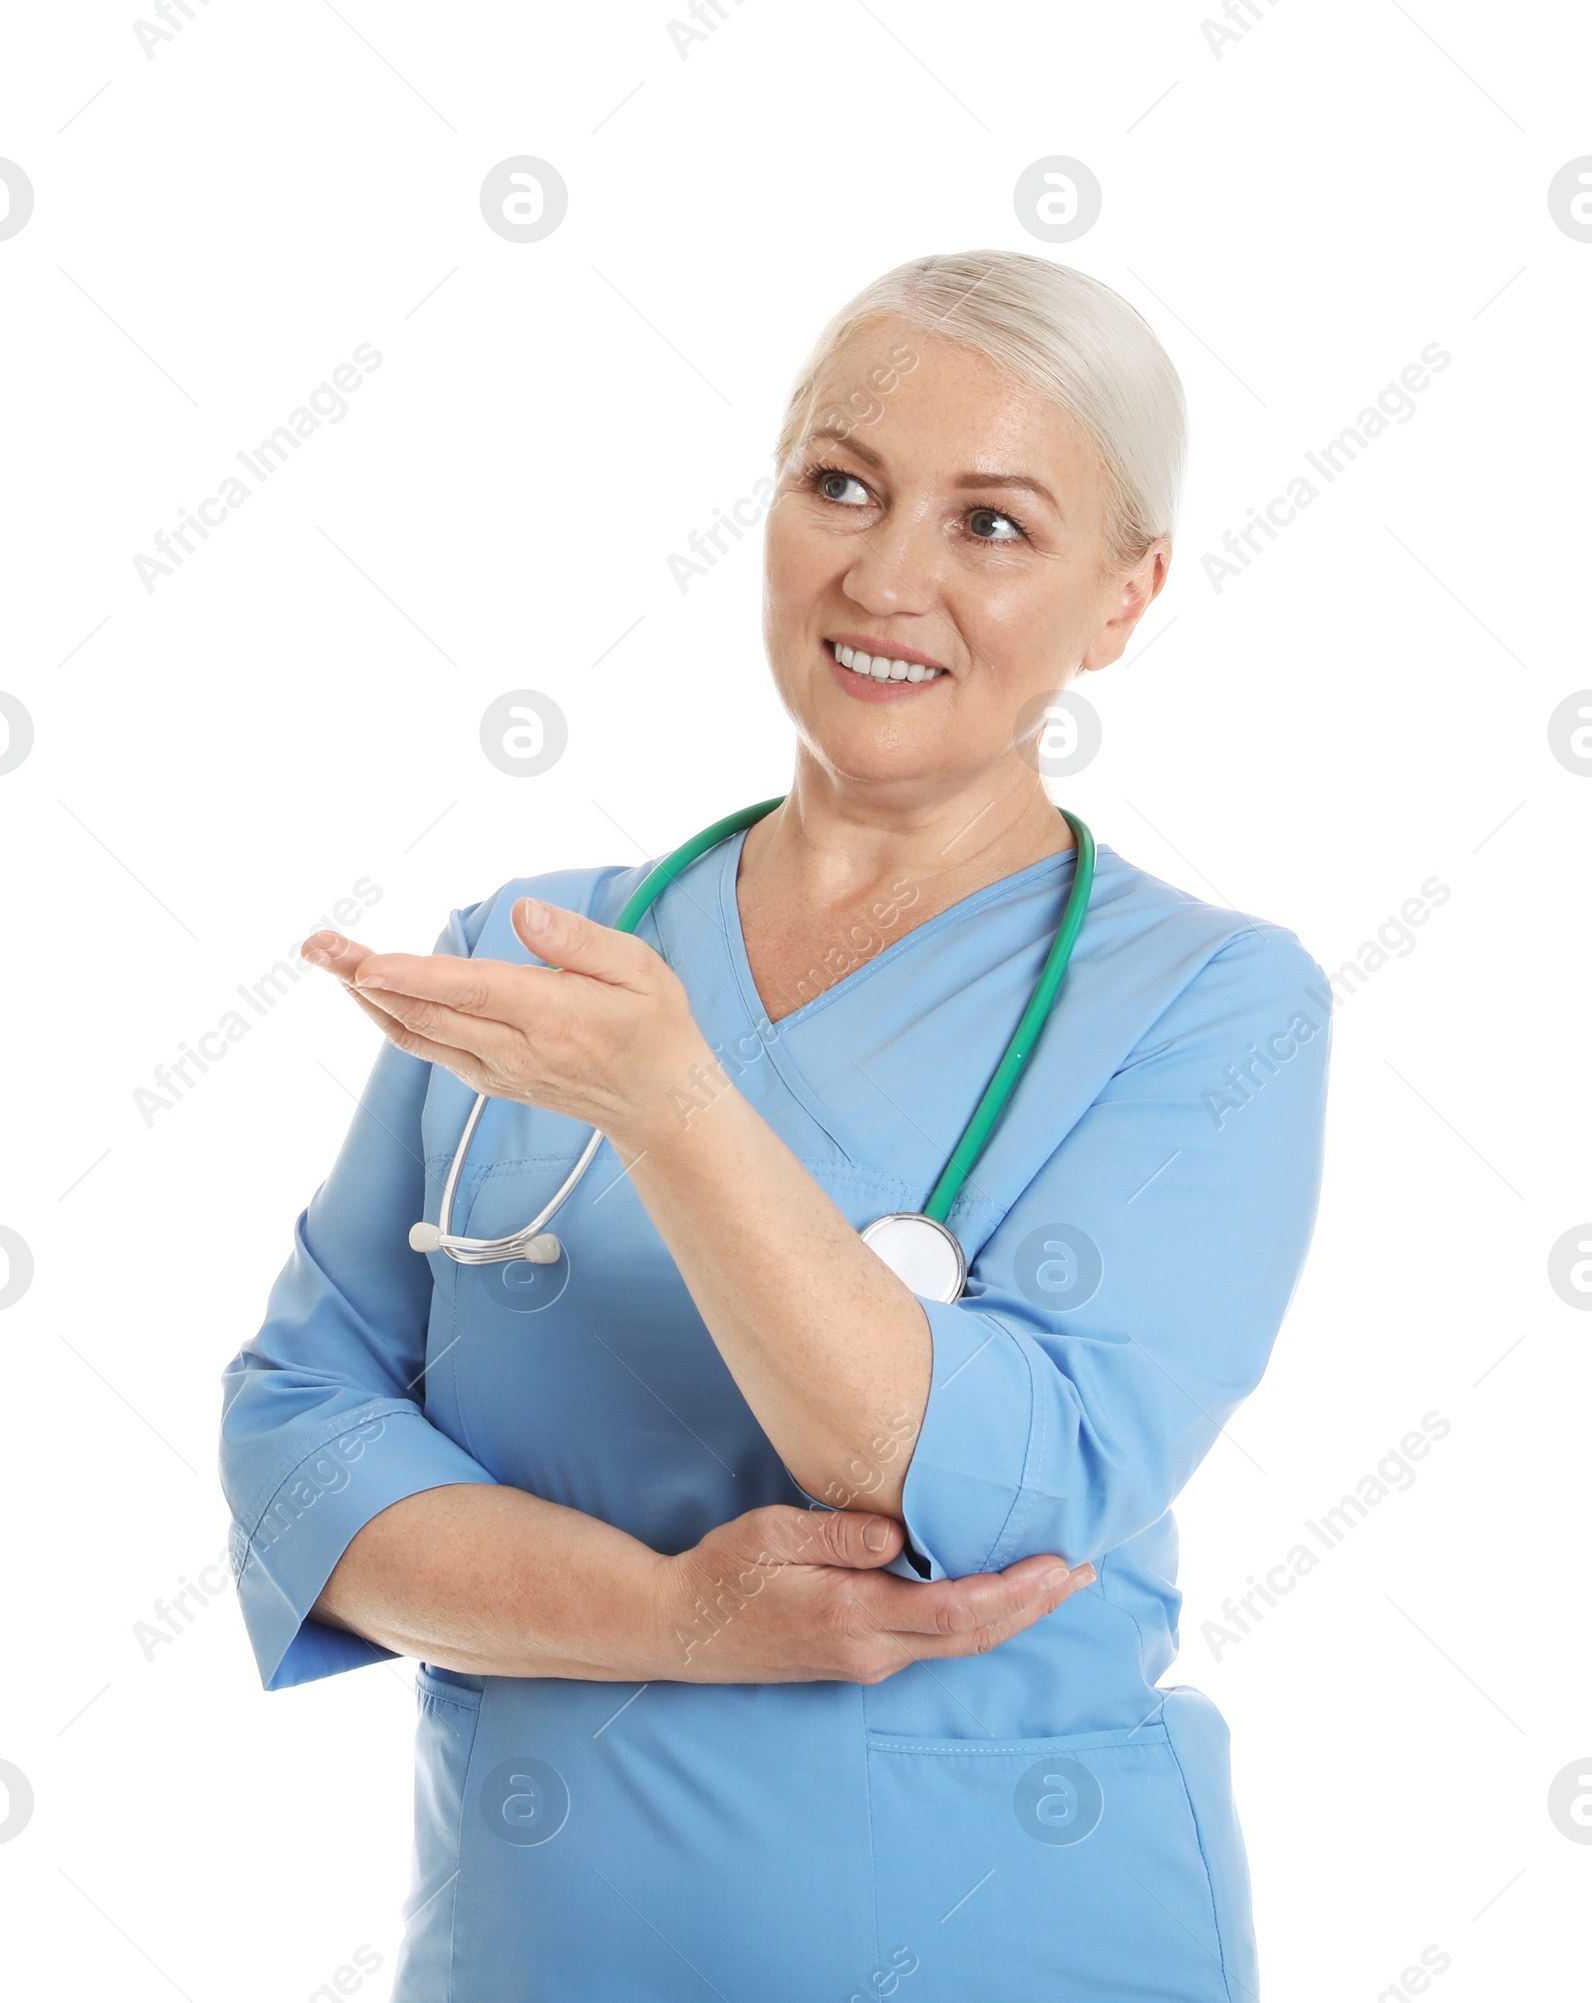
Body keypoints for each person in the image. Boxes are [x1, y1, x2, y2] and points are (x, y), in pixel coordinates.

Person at [219, 249, 1330, 2001]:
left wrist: (673, 1108)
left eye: (993, 526)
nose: (885, 575)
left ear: (1123, 602)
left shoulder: (1214, 1002)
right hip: (535, 1951)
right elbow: (298, 1451)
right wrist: (675, 1623)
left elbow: (1008, 1486)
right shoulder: (542, 948)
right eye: (841, 484)